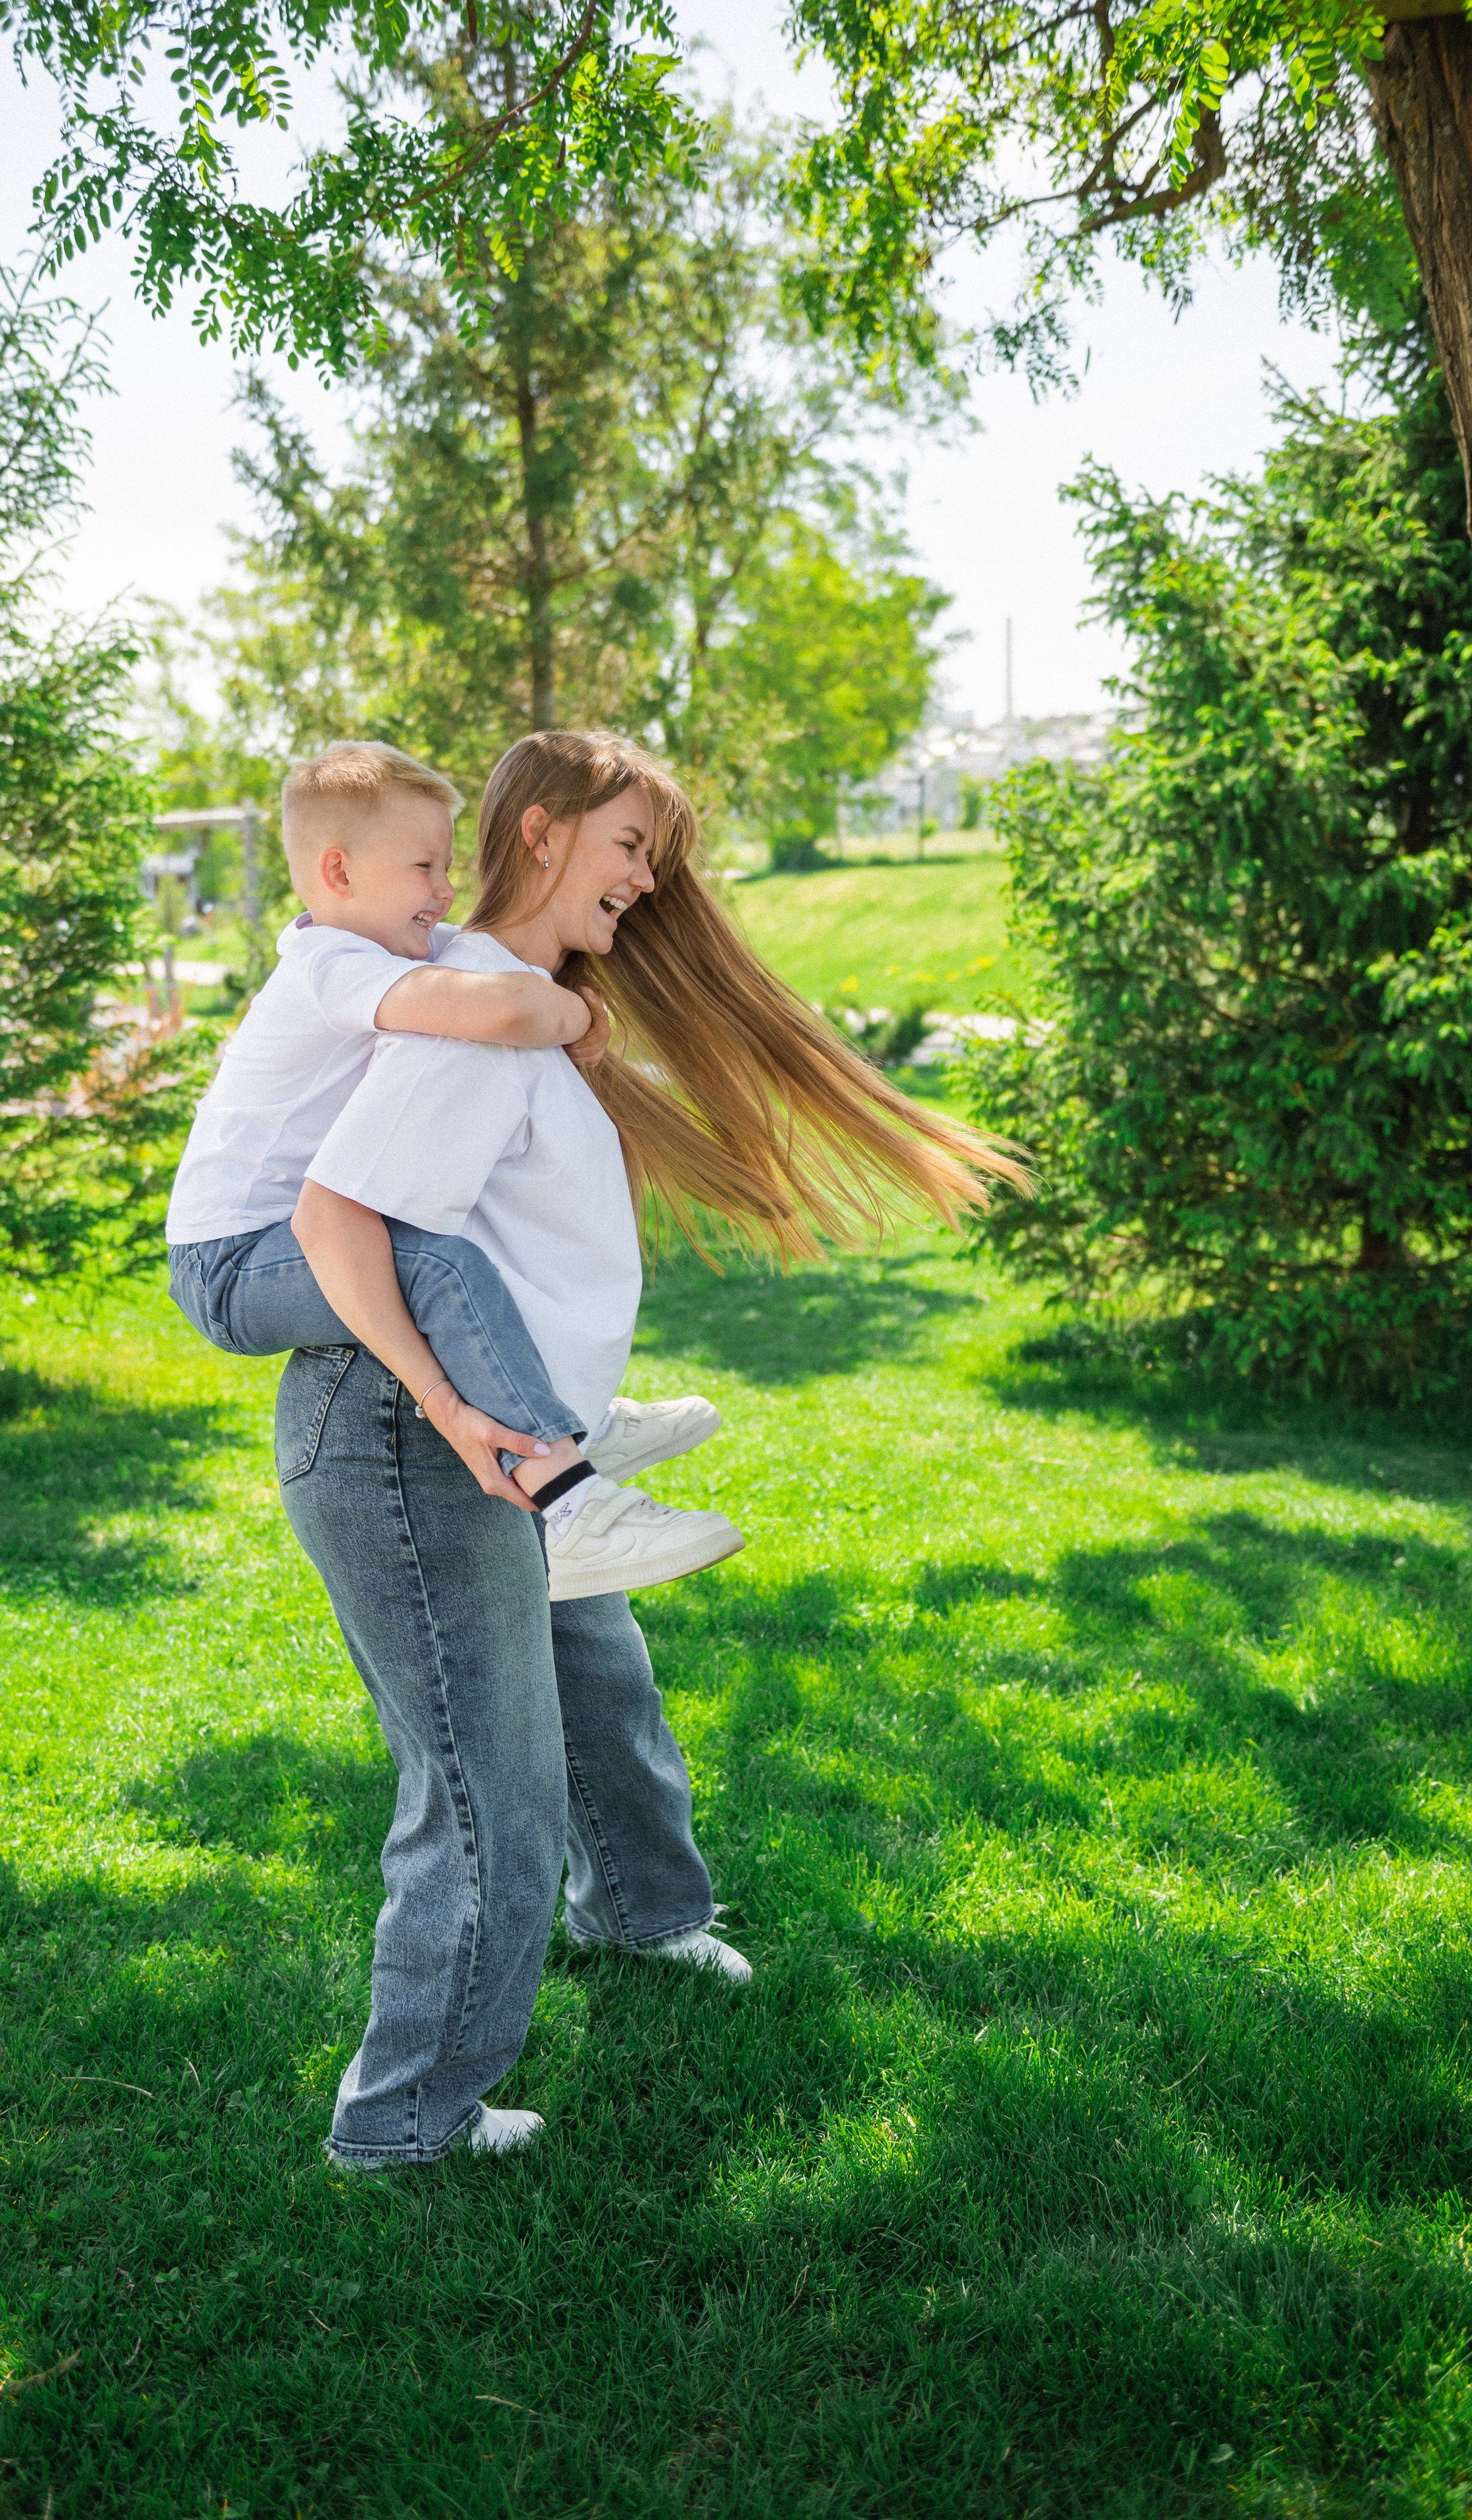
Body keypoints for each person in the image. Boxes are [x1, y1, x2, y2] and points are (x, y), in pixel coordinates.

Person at [279, 729, 1030, 2168]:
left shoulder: (532, 1008)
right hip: (412, 1445)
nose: (647, 879)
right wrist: (457, 1421)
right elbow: (342, 1214)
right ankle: (402, 2121)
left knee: (601, 1693)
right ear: (545, 831)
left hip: (512, 1442)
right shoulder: (483, 1010)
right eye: (632, 845)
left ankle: (638, 1912)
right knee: (486, 1790)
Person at [165, 739, 739, 1599]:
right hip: (232, 1260)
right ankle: (570, 1502)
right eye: (427, 866)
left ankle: (560, 1415)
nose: (446, 891)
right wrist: (579, 1011)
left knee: (446, 1246)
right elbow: (501, 1004)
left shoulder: (390, 960)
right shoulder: (331, 964)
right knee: (437, 1259)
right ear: (339, 872)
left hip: (265, 1245)